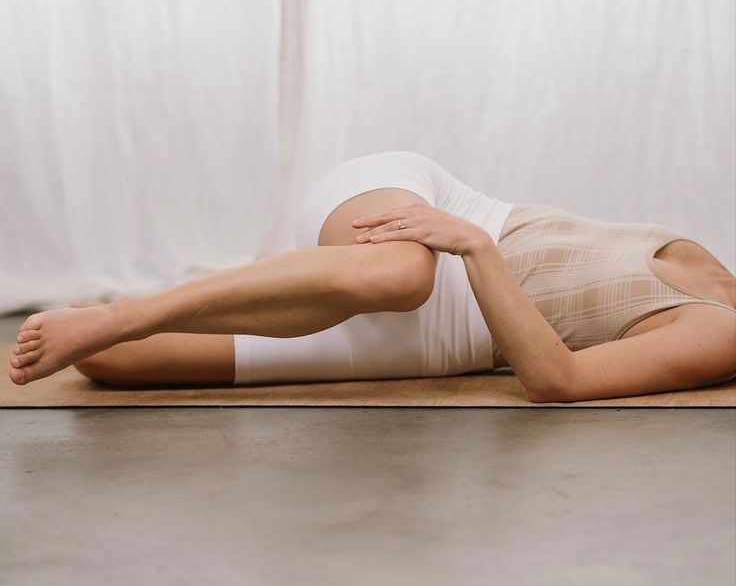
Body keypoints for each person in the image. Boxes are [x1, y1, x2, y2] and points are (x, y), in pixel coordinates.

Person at [8, 150, 736, 402]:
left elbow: (558, 382)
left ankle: (113, 321)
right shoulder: (710, 264)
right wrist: (466, 231)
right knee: (399, 276)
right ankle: (121, 313)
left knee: (112, 362)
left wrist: (477, 251)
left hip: (448, 331)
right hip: (428, 211)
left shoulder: (721, 335)